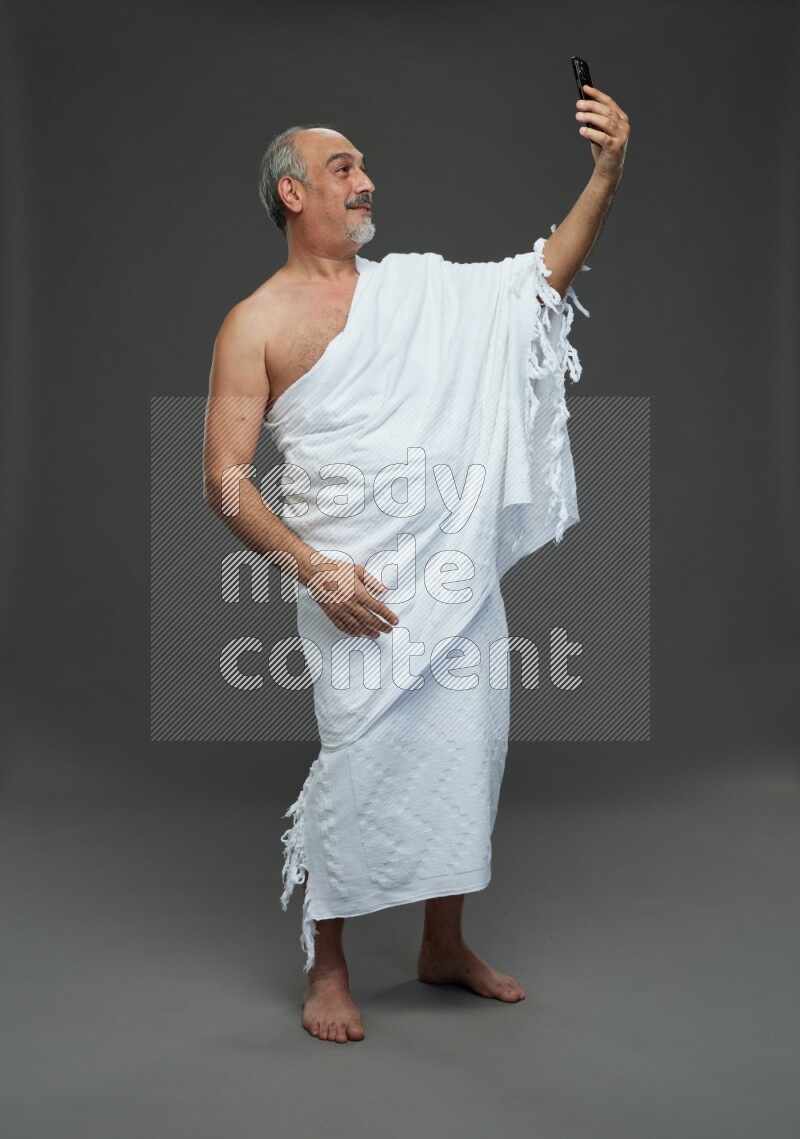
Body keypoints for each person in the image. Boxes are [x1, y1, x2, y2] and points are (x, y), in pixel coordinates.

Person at [203, 92, 630, 1043]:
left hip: (453, 574)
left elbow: (540, 281)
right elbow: (225, 478)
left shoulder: (421, 293)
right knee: (355, 761)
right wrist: (312, 568)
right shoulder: (254, 323)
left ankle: (444, 943)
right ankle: (328, 965)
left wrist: (606, 172)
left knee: (463, 754)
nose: (367, 182)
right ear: (293, 192)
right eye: (344, 169)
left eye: (363, 168)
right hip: (348, 586)